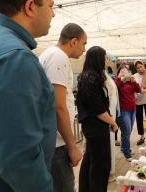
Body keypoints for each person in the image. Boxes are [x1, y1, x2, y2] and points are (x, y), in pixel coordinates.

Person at [0, 0, 56, 191]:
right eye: (51, 6)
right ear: (30, 7)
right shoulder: (14, 58)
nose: (53, 14)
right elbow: (18, 160)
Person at [39, 23, 87, 192]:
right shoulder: (59, 57)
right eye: (83, 43)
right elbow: (58, 106)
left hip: (51, 140)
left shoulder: (50, 54)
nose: (84, 49)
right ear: (73, 42)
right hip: (57, 144)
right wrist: (72, 146)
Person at [77, 46, 118, 192]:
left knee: (90, 161)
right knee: (100, 166)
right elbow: (98, 110)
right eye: (105, 57)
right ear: (98, 59)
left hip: (95, 126)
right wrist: (113, 122)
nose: (107, 60)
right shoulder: (90, 78)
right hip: (96, 127)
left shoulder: (92, 76)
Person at [115, 63, 141, 161]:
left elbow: (138, 90)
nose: (125, 72)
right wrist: (119, 78)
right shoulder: (118, 81)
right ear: (120, 71)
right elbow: (116, 88)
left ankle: (124, 148)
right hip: (123, 110)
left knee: (128, 131)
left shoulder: (130, 81)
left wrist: (134, 81)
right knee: (126, 131)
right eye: (123, 70)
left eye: (127, 70)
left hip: (132, 109)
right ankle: (126, 152)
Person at [104, 63, 120, 180]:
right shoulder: (99, 77)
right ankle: (107, 172)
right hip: (106, 116)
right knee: (106, 146)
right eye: (105, 58)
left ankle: (109, 170)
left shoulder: (107, 76)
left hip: (111, 114)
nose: (108, 61)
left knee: (110, 144)